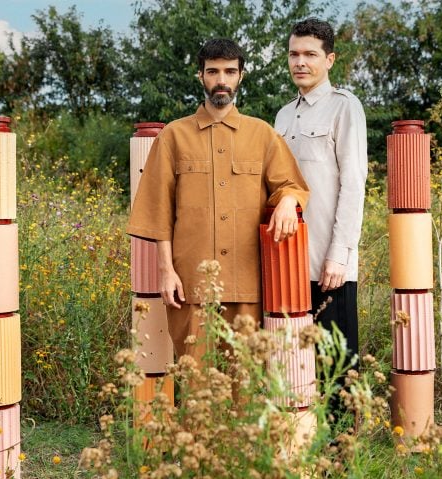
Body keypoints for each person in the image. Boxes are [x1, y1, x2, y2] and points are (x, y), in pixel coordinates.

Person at [128, 38, 309, 362]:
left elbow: (291, 185)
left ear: (240, 76)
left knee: (246, 387)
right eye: (213, 71)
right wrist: (166, 271)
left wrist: (287, 200)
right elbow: (158, 210)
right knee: (198, 387)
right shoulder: (173, 135)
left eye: (229, 71)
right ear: (201, 76)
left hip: (249, 287)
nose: (221, 80)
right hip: (191, 285)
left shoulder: (263, 134)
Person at [275, 19, 368, 378]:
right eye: (294, 54)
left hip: (329, 265)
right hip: (289, 261)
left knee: (337, 366)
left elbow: (354, 182)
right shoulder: (283, 115)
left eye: (310, 54)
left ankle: (343, 436)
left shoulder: (345, 107)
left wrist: (339, 254)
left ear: (329, 59)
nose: (300, 62)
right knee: (294, 365)